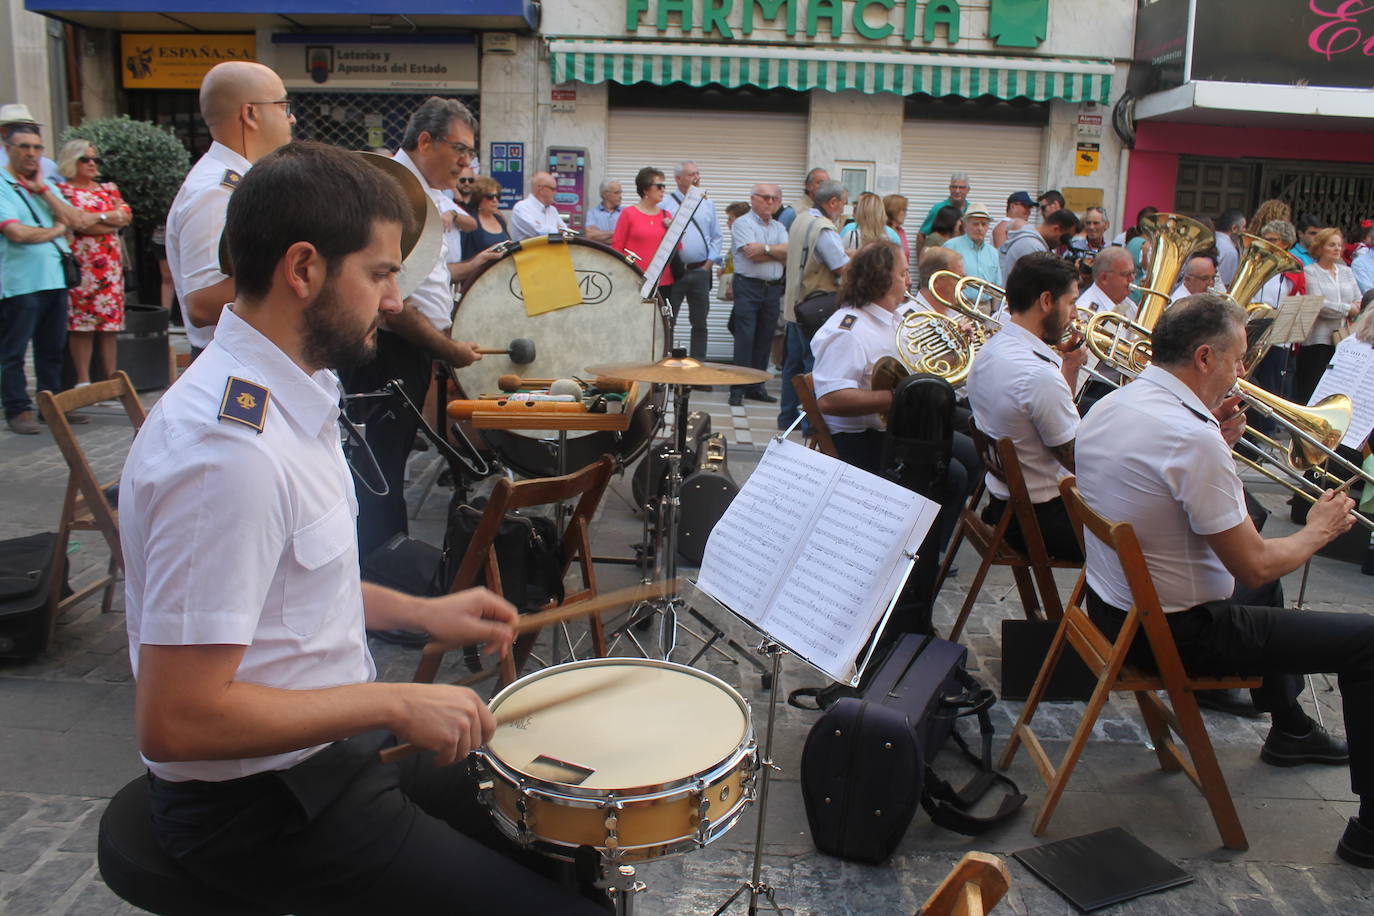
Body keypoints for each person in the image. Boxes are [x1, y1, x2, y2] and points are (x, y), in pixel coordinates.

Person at [119, 140, 610, 915]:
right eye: (380, 274)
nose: (392, 300)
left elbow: (288, 588)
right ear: (304, 269)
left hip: (331, 752)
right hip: (261, 807)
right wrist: (392, 704)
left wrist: (422, 612)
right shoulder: (226, 455)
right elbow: (179, 720)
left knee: (566, 840)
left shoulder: (293, 390)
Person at [1074, 292, 1374, 869]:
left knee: (1268, 590)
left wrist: (1219, 443)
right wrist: (1318, 529)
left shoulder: (1115, 402)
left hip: (1113, 611)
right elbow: (1253, 565)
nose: (1242, 374)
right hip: (1182, 633)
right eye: (1238, 359)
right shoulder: (1192, 438)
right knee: (1366, 641)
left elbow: (1167, 484)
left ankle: (1288, 728)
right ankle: (1370, 832)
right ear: (1205, 357)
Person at [340, 97, 483, 560]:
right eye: (459, 149)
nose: (465, 163)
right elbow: (391, 305)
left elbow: (424, 278)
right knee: (378, 469)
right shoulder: (391, 194)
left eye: (470, 153)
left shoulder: (426, 194)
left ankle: (386, 560)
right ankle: (380, 567)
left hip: (412, 349)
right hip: (387, 349)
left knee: (391, 461)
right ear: (425, 141)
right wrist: (447, 348)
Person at [165, 62, 295, 359]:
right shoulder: (217, 192)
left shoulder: (242, 182)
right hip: (233, 361)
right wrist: (298, 276)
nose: (292, 117)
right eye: (283, 106)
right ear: (251, 113)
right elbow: (201, 303)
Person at [966, 253, 1086, 560]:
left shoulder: (992, 349)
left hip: (1007, 507)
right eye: (1071, 302)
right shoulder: (1038, 375)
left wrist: (1071, 366)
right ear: (1046, 301)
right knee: (1150, 540)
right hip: (1042, 521)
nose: (1074, 314)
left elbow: (1041, 416)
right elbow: (1080, 464)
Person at [1, 121, 95, 435]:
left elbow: (77, 219)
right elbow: (16, 232)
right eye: (24, 147)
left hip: (54, 280)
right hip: (19, 283)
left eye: (37, 148)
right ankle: (17, 408)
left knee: (52, 348)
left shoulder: (44, 185)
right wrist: (56, 230)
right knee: (14, 350)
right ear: (8, 149)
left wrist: (42, 190)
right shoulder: (3, 184)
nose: (31, 154)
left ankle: (52, 405)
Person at [55, 139, 133, 391]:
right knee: (82, 325)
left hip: (109, 266)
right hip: (82, 265)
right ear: (72, 160)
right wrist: (107, 221)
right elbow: (75, 222)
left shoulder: (108, 188)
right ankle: (83, 381)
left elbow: (125, 217)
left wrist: (96, 217)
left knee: (109, 324)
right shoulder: (63, 191)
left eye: (95, 159)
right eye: (85, 159)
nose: (92, 164)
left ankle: (111, 380)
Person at [780, 179, 848, 430]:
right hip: (815, 307)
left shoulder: (801, 218)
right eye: (843, 203)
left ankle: (787, 417)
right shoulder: (824, 228)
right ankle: (811, 423)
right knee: (813, 366)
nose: (844, 208)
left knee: (792, 367)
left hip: (794, 306)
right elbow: (839, 266)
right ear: (833, 202)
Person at [727, 182, 787, 406]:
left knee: (765, 338)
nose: (770, 202)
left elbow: (789, 252)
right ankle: (737, 389)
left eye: (774, 198)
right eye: (765, 197)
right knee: (745, 338)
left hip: (773, 288)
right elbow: (751, 254)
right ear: (753, 199)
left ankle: (756, 386)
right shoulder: (742, 223)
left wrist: (766, 249)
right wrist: (776, 252)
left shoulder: (779, 227)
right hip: (748, 287)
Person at [662, 160, 722, 361]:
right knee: (668, 321)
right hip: (675, 271)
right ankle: (667, 364)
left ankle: (699, 364)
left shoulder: (707, 203)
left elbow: (716, 236)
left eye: (697, 173)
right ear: (678, 179)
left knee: (700, 323)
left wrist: (709, 264)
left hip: (700, 270)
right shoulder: (665, 204)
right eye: (691, 174)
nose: (696, 177)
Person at [1297, 227, 1363, 405]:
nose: (1337, 249)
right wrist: (1348, 309)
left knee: (1335, 390)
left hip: (1342, 339)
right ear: (1320, 248)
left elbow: (1359, 299)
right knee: (1312, 388)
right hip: (1317, 340)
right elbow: (1320, 304)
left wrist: (1353, 307)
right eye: (1331, 245)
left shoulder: (1346, 271)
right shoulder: (1310, 271)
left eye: (1339, 245)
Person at [1073, 247, 1138, 411]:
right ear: (1104, 278)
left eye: (1133, 273)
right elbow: (1083, 365)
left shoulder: (1129, 305)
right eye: (1126, 274)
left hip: (1121, 387)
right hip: (1094, 390)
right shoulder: (1086, 309)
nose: (1132, 279)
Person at [612, 166, 675, 297]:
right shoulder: (629, 213)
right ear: (645, 189)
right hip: (633, 277)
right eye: (659, 186)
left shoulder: (666, 215)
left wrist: (672, 230)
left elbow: (677, 248)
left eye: (664, 186)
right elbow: (617, 246)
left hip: (662, 280)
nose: (663, 190)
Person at [998, 208, 1079, 281]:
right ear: (1056, 229)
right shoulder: (1031, 246)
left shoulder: (1035, 244)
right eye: (1064, 238)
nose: (1063, 244)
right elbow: (1041, 284)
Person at [0, 103, 61, 183]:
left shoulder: (49, 166)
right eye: (18, 128)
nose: (31, 153)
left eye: (30, 128)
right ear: (3, 131)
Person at [459, 175, 509, 268]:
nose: (495, 200)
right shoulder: (471, 221)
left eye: (497, 196)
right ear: (479, 198)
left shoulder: (499, 219)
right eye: (490, 197)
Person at [945, 202, 1001, 286]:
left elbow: (997, 286)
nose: (980, 228)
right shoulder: (951, 247)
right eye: (975, 224)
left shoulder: (994, 253)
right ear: (965, 225)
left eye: (984, 224)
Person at [917, 172, 969, 250]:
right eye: (954, 187)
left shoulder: (971, 210)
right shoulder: (939, 208)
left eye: (961, 188)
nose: (957, 191)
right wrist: (921, 257)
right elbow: (921, 235)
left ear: (968, 190)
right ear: (949, 188)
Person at [509, 171, 567, 241]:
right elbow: (538, 233)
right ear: (541, 190)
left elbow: (566, 233)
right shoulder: (521, 208)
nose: (555, 193)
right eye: (553, 189)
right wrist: (557, 230)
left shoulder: (553, 210)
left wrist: (546, 229)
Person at [583, 178, 623, 244]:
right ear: (605, 194)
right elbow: (590, 236)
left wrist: (600, 237)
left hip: (618, 251)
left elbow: (629, 237)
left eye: (620, 193)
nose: (620, 196)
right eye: (616, 193)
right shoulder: (592, 213)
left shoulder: (625, 212)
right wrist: (617, 232)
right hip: (599, 251)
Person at [1215, 209, 1246, 287]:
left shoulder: (1209, 239)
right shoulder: (1230, 251)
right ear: (1234, 228)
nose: (1245, 231)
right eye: (1243, 227)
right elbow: (1226, 284)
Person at [884, 193, 910, 266]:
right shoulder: (883, 232)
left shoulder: (901, 231)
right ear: (894, 211)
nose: (906, 214)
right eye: (904, 210)